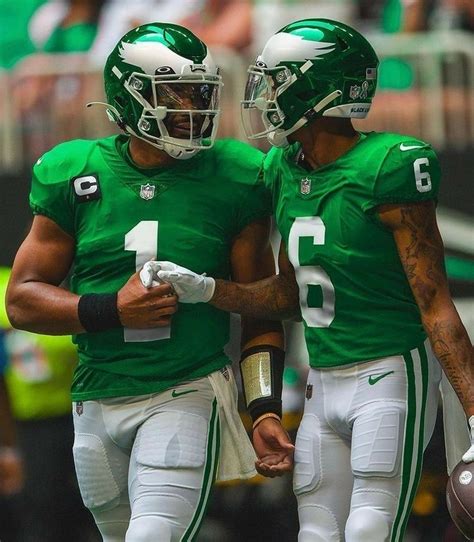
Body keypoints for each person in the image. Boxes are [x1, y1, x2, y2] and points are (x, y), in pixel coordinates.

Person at [145, 18, 474, 541]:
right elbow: (287, 293)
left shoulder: (390, 164)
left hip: (391, 371)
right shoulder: (281, 166)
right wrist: (209, 289)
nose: (265, 94)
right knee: (316, 534)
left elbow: (435, 304)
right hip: (323, 377)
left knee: (369, 528)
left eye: (278, 80)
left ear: (318, 89)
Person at [6, 22, 285, 541]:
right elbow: (21, 300)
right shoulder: (74, 170)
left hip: (186, 388)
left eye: (199, 92)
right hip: (95, 395)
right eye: (174, 94)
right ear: (129, 97)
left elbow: (262, 306)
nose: (193, 108)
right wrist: (111, 309)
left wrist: (264, 405)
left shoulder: (238, 174)